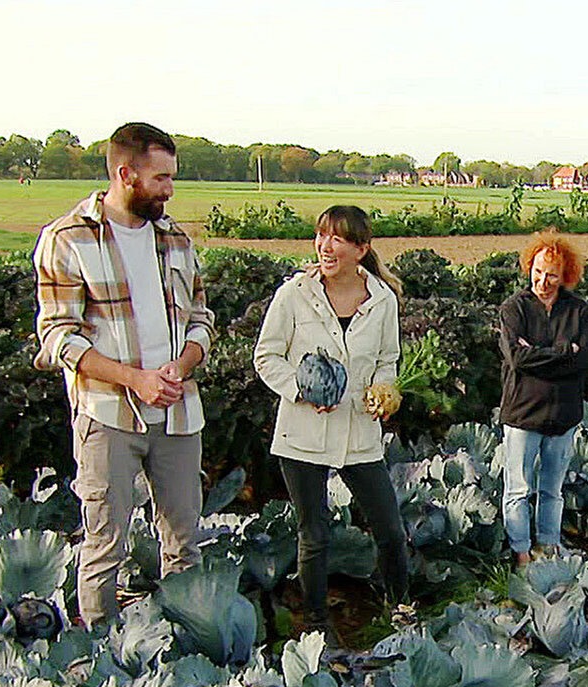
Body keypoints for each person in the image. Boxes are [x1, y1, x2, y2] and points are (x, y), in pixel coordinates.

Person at [33, 122, 215, 626]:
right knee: (104, 543)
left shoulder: (175, 238)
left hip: (179, 411)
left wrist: (182, 365)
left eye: (172, 177)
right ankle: (98, 655)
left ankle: (186, 642)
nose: (169, 190)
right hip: (108, 414)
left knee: (184, 540)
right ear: (125, 173)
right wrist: (136, 380)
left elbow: (202, 317)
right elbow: (58, 338)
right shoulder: (67, 239)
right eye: (160, 178)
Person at [254, 205, 409, 643]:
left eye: (338, 239)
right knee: (314, 534)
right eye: (322, 236)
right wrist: (301, 391)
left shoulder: (382, 301)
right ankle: (317, 623)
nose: (326, 246)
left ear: (361, 249)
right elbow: (266, 356)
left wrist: (385, 391)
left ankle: (399, 607)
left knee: (390, 531)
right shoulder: (294, 294)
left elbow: (386, 360)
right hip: (302, 432)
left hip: (359, 431)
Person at [497, 231, 588, 564]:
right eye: (538, 271)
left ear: (565, 276)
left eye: (552, 274)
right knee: (518, 488)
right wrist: (562, 353)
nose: (543, 280)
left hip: (563, 415)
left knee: (552, 490)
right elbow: (516, 358)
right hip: (523, 414)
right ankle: (522, 552)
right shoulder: (514, 308)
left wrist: (540, 355)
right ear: (529, 267)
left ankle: (549, 546)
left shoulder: (578, 311)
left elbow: (584, 361)